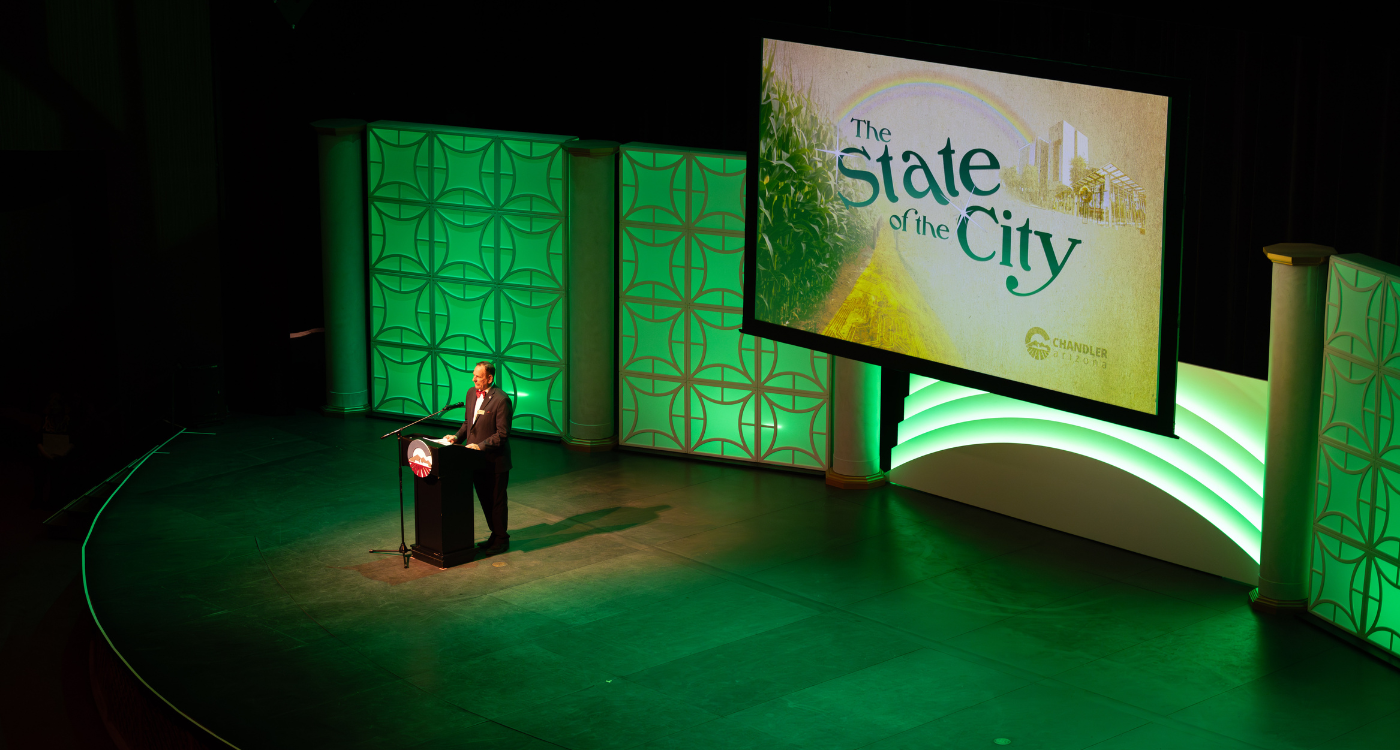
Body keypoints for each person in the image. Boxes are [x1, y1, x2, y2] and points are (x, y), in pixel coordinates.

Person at [441, 361, 512, 556]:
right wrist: (457, 437)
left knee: (496, 502)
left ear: (489, 378)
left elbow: (502, 434)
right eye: (473, 375)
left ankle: (501, 539)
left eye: (478, 376)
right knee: (485, 500)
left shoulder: (501, 400)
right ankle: (494, 534)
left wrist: (480, 446)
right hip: (474, 460)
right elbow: (468, 423)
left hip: (495, 461)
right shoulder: (471, 393)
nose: (473, 379)